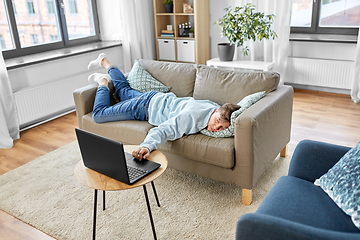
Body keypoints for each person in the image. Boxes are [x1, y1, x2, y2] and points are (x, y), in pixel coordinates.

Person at [87, 53, 240, 160]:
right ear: (216, 111)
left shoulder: (213, 106)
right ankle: (103, 82)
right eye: (217, 121)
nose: (215, 128)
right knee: (99, 115)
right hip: (145, 107)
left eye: (221, 128)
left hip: (154, 98)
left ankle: (104, 62)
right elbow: (165, 129)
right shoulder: (193, 117)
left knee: (123, 91)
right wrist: (147, 146)